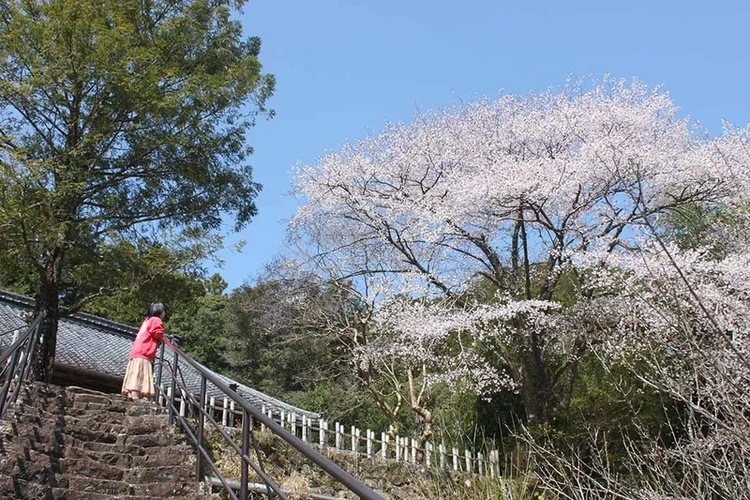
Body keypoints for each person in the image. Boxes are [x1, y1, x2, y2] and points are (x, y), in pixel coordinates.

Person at [121, 302, 166, 400]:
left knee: (134, 373)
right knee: (139, 373)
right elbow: (157, 333)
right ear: (160, 312)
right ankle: (135, 395)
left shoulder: (147, 321)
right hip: (144, 351)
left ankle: (130, 394)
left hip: (137, 351)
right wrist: (163, 337)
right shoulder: (156, 320)